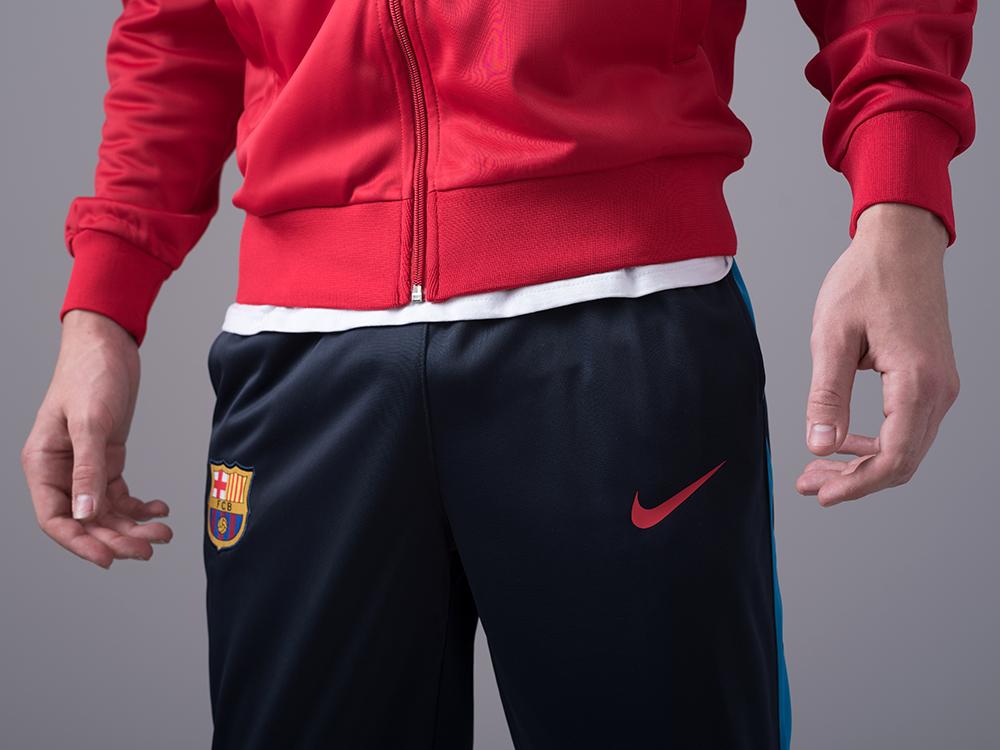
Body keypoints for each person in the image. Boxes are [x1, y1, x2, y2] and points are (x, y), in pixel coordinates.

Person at [21, 1, 975, 748]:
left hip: (615, 317)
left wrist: (901, 209)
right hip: (299, 349)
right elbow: (174, 32)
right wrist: (102, 308)